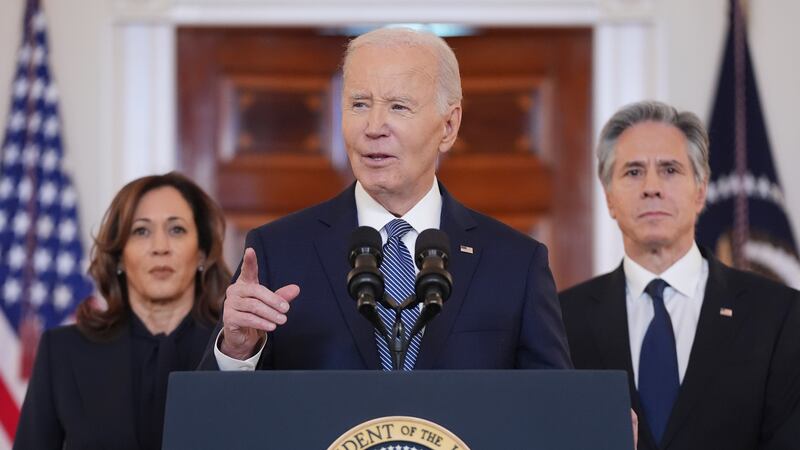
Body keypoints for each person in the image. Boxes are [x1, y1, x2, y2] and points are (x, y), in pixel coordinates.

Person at [200, 27, 572, 372]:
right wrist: (237, 351)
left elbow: (552, 412)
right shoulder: (276, 251)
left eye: (398, 106)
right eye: (359, 104)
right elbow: (213, 421)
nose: (374, 128)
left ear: (449, 126)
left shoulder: (516, 263)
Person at [560, 100, 800, 450]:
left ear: (700, 191)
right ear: (609, 197)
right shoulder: (563, 319)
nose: (652, 186)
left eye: (670, 170)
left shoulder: (777, 314)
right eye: (633, 172)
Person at [14, 172, 232, 450]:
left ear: (202, 253)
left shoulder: (232, 351)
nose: (160, 247)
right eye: (141, 231)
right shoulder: (62, 352)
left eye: (176, 229)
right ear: (119, 256)